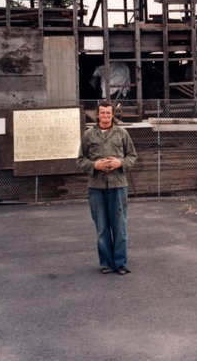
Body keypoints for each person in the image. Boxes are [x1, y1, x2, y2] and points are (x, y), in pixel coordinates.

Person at [76, 100, 137, 275]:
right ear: (97, 115)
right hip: (96, 187)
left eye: (108, 113)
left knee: (120, 226)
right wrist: (94, 165)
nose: (105, 116)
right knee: (102, 227)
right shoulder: (89, 135)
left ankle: (120, 263)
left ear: (112, 115)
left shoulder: (122, 133)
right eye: (102, 113)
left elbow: (132, 156)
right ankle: (106, 263)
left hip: (118, 185)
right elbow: (81, 159)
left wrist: (120, 162)